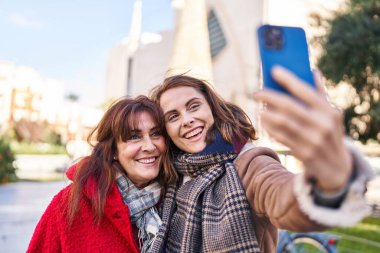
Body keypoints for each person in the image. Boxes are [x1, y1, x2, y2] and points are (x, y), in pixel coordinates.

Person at [148, 66, 373, 253]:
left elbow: (284, 198)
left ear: (213, 109)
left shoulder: (249, 163)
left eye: (193, 106)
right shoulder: (170, 177)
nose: (187, 120)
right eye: (173, 116)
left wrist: (328, 180)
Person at [27, 96, 177, 253]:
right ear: (112, 151)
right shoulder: (69, 205)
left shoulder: (177, 200)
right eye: (134, 136)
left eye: (155, 134)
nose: (149, 146)